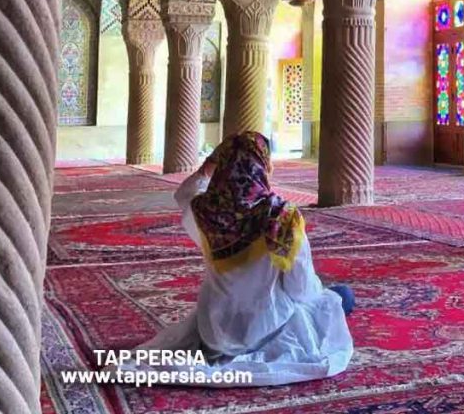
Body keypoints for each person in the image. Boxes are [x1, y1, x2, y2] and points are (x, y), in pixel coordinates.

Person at [126, 132, 354, 386]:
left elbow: (184, 193)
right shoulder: (281, 218)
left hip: (213, 334)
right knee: (341, 296)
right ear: (263, 165)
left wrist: (209, 165)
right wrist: (322, 294)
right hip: (266, 331)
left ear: (223, 164)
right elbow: (301, 290)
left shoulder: (204, 213)